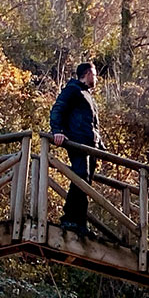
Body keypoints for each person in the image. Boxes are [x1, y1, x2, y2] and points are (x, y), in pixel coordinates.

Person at [49, 62, 101, 235]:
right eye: (95, 74)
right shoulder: (73, 90)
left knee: (86, 182)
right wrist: (57, 131)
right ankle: (69, 219)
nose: (97, 78)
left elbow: (93, 125)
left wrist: (100, 147)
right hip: (78, 143)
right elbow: (58, 109)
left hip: (90, 147)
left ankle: (80, 223)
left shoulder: (88, 96)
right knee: (80, 177)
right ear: (87, 74)